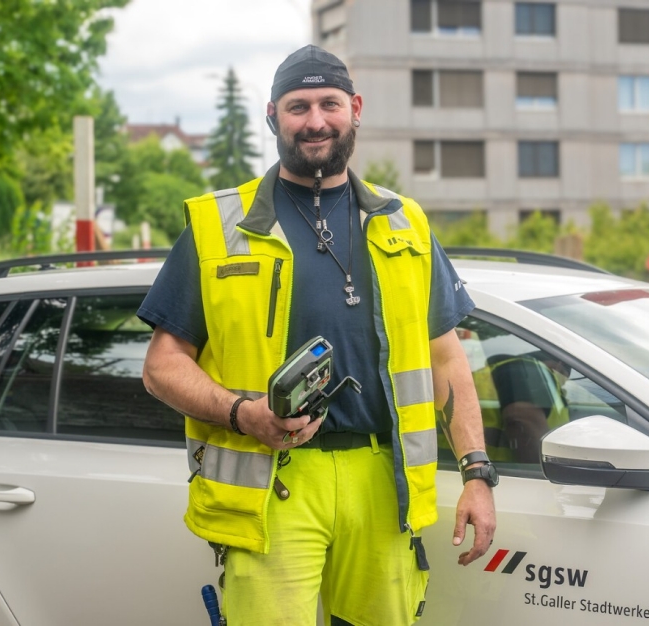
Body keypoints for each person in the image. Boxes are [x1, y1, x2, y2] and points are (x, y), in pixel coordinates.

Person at [138, 45, 496, 626]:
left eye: (329, 102)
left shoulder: (406, 221)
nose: (315, 120)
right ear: (273, 115)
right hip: (273, 480)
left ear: (354, 108)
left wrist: (477, 474)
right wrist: (242, 412)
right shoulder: (217, 227)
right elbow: (161, 365)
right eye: (298, 106)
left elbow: (446, 357)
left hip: (382, 482)